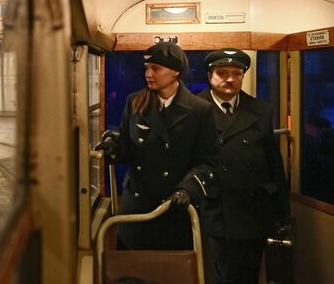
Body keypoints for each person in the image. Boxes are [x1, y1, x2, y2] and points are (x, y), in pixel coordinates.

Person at [96, 42, 218, 250]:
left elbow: (207, 163)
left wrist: (186, 190)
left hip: (174, 210)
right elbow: (127, 146)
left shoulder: (200, 110)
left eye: (155, 68)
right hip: (137, 209)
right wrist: (113, 149)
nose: (148, 74)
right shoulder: (135, 102)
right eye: (146, 68)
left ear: (175, 72)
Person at [197, 48, 291, 284]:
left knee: (250, 272)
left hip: (254, 209)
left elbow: (273, 163)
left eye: (237, 73)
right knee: (224, 274)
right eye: (222, 73)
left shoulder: (260, 110)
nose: (230, 79)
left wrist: (282, 211)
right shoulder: (194, 109)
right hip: (215, 208)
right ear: (210, 76)